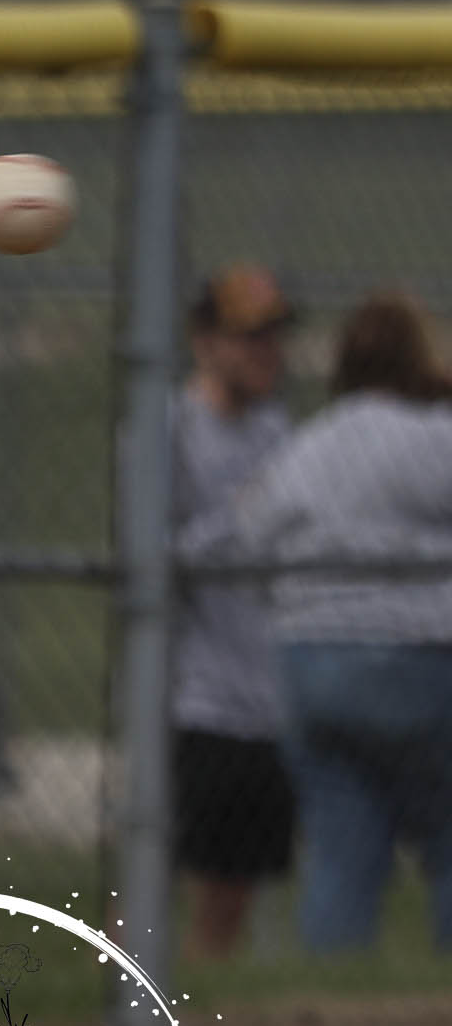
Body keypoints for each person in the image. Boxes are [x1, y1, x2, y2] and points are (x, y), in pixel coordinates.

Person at [254, 287, 452, 956]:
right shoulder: (436, 439)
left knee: (341, 852)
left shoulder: (307, 447)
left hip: (314, 664)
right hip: (426, 662)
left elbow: (249, 534)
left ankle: (326, 998)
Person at [167, 265, 304, 962]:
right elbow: (154, 557)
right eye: (250, 338)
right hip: (195, 697)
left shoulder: (277, 433)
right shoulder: (172, 431)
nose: (267, 353)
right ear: (206, 343)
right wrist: (243, 517)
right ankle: (122, 1002)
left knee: (232, 891)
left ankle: (201, 1005)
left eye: (274, 337)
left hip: (268, 698)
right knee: (155, 869)